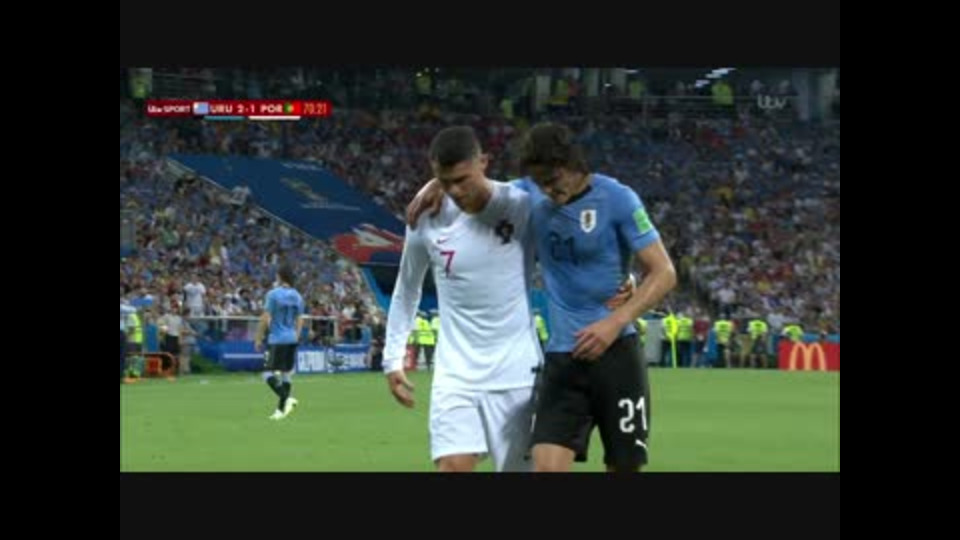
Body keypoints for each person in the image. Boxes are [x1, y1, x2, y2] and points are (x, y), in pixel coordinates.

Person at [407, 122, 677, 472]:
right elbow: (479, 186)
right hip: (563, 358)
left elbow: (665, 272)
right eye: (539, 181)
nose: (548, 190)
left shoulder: (618, 199)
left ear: (573, 163)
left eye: (553, 179)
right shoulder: (530, 194)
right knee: (545, 467)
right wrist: (435, 185)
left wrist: (614, 323)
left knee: (624, 467)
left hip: (617, 354)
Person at [384, 126, 542, 472]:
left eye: (461, 180)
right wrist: (392, 358)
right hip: (455, 374)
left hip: (517, 372)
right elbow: (407, 288)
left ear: (484, 162)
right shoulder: (425, 216)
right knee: (453, 466)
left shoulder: (520, 205)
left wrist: (624, 280)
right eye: (444, 181)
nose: (454, 191)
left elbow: (574, 245)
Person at [254, 262, 305, 420]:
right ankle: (280, 411)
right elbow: (300, 319)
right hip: (291, 338)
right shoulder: (297, 296)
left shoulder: (273, 294)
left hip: (277, 339)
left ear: (280, 276)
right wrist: (296, 335)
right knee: (286, 374)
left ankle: (287, 399)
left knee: (266, 373)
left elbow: (265, 317)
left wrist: (258, 337)